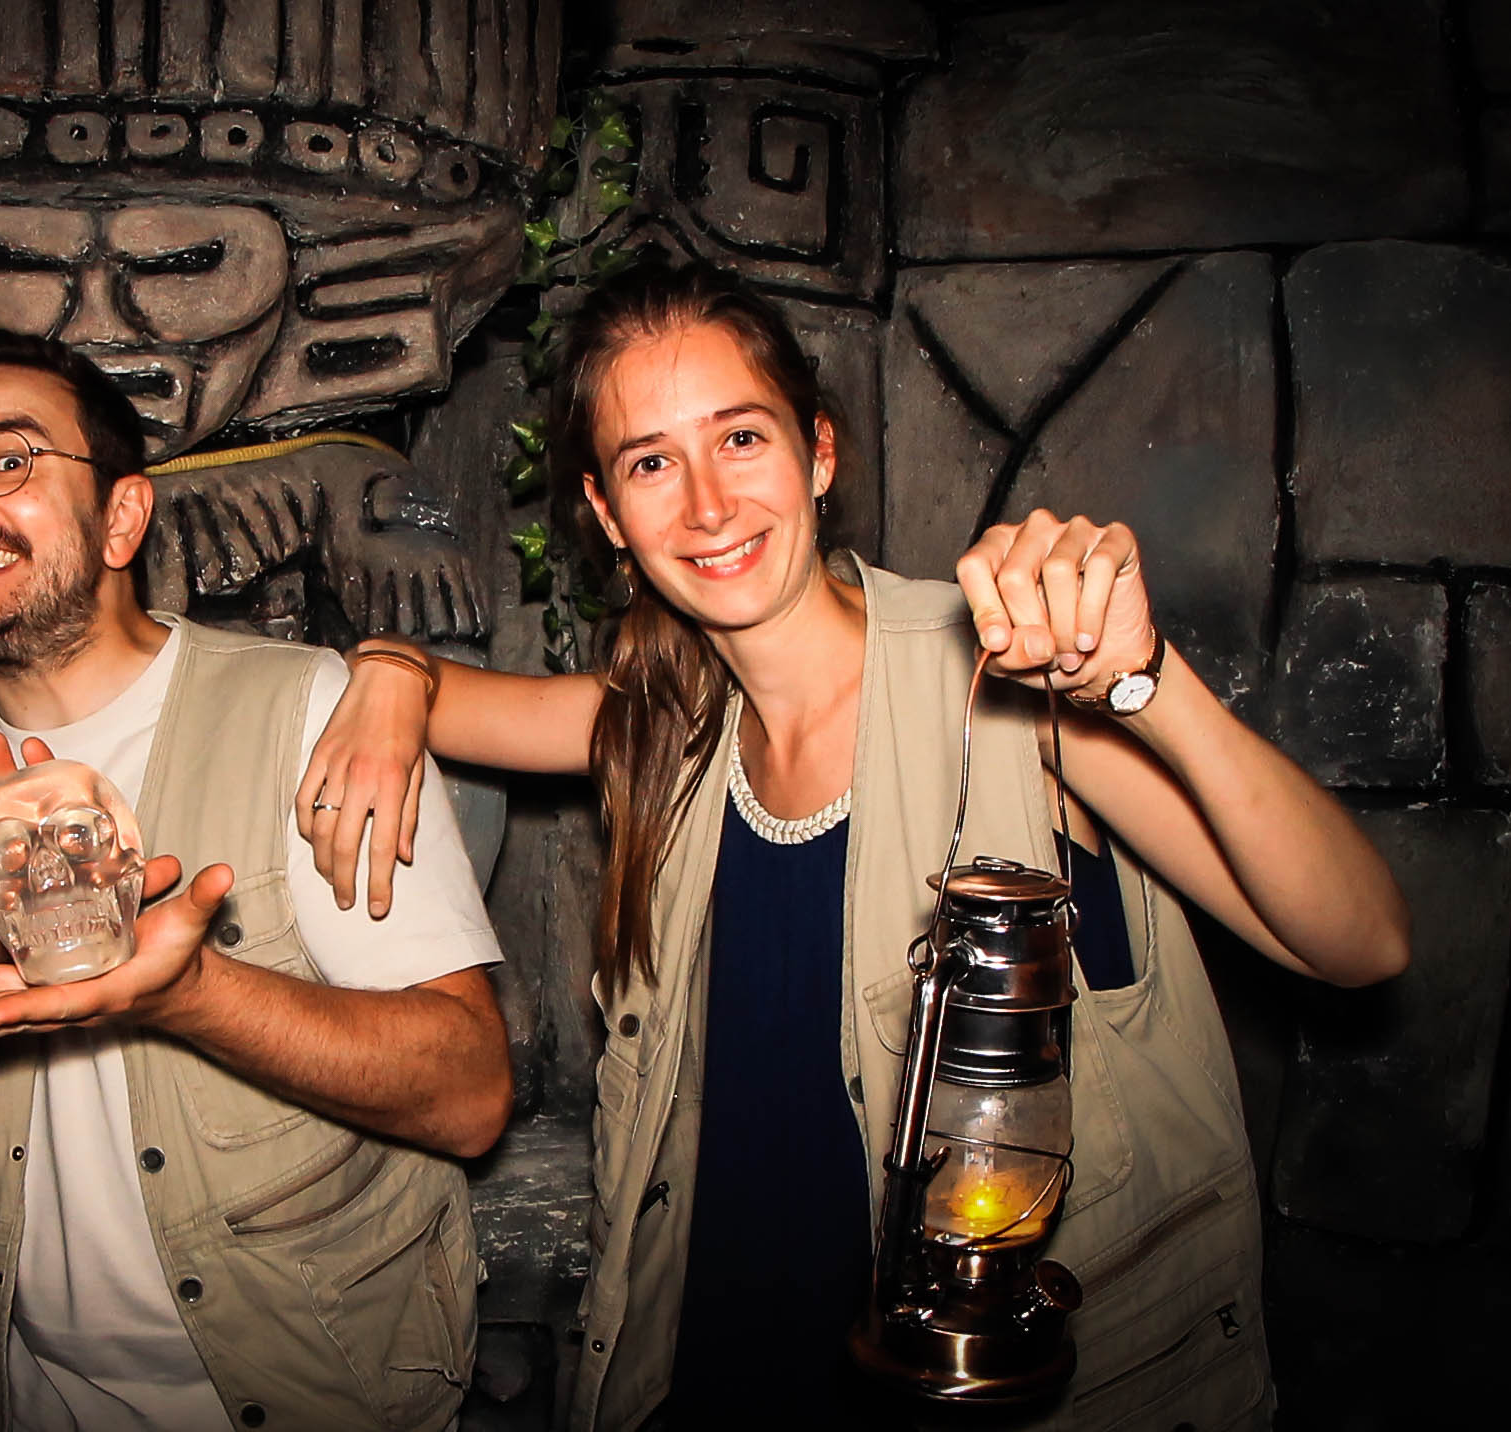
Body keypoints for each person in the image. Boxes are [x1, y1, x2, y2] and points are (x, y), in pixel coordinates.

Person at [300, 257, 1411, 1430]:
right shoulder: (663, 725)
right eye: (650, 463)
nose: (706, 506)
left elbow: (1357, 941)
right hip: (721, 1379)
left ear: (817, 454)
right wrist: (389, 672)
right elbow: (440, 693)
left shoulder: (1000, 684)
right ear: (607, 516)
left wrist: (1142, 681)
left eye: (739, 438)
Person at [0, 330, 511, 1430]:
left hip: (316, 1387)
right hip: (29, 1394)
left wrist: (190, 994)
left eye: (8, 460)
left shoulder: (308, 711)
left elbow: (469, 1095)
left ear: (122, 519)